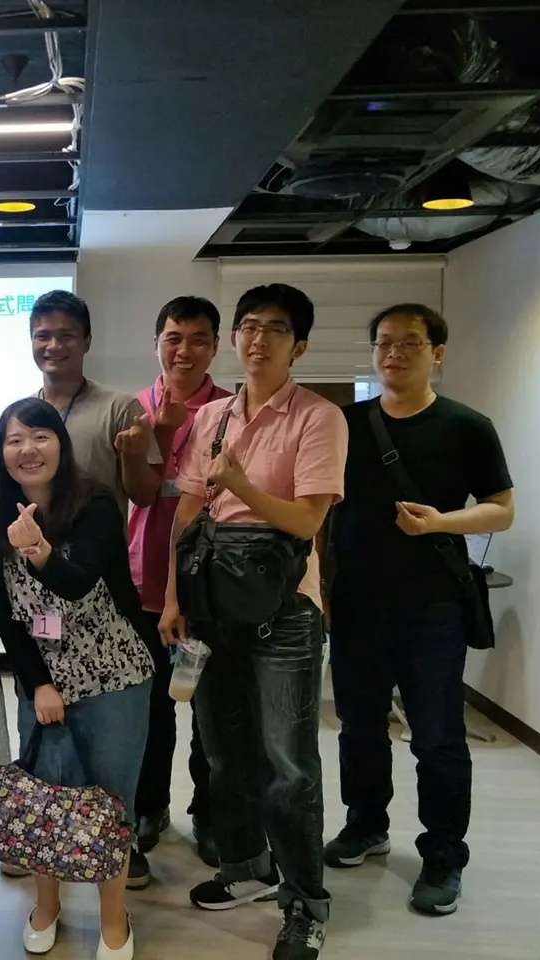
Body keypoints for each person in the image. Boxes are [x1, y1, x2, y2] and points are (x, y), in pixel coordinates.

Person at [160, 283, 346, 960]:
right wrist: (175, 598)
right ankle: (246, 866)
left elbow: (307, 519)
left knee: (288, 764)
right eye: (248, 326)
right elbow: (187, 513)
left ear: (299, 345)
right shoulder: (212, 417)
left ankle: (305, 903)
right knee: (223, 752)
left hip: (284, 612)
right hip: (214, 603)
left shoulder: (318, 418)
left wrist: (239, 485)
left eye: (275, 329)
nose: (258, 339)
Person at [324, 303, 514, 916]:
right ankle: (366, 823)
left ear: (437, 352)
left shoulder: (467, 426)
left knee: (436, 737)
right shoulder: (345, 424)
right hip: (356, 601)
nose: (394, 354)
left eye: (409, 342)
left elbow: (502, 508)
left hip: (432, 606)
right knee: (358, 726)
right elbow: (319, 506)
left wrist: (441, 522)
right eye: (383, 343)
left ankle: (443, 854)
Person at [0, 397, 155, 960]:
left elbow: (78, 583)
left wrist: (37, 549)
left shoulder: (95, 503)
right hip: (43, 680)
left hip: (113, 672)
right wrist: (38, 683)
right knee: (45, 795)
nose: (27, 450)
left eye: (40, 436)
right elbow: (5, 614)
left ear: (61, 442)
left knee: (111, 799)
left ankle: (113, 918)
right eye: (13, 440)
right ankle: (47, 906)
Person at [126, 296, 232, 878]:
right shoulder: (134, 409)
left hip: (211, 583)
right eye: (173, 338)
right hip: (142, 579)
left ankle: (210, 815)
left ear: (215, 346)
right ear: (156, 344)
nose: (184, 350)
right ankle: (150, 808)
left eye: (197, 339)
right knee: (149, 710)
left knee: (211, 710)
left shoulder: (233, 411)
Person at [28, 290, 162, 517]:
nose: (53, 346)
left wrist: (134, 457)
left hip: (98, 539)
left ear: (87, 342)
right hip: (32, 538)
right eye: (42, 336)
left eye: (66, 336)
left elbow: (145, 497)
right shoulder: (23, 414)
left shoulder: (120, 408)